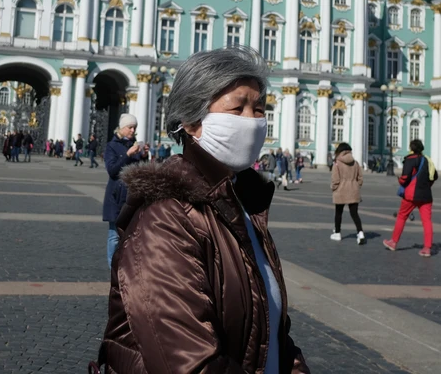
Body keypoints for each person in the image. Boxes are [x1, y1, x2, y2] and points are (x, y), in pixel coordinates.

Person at [97, 47, 309, 373]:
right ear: (193, 122)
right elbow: (189, 363)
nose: (253, 121)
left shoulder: (243, 204)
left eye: (259, 108)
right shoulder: (165, 218)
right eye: (238, 107)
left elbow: (273, 332)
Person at [101, 114, 146, 268]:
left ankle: (127, 267)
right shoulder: (111, 146)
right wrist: (128, 155)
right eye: (130, 127)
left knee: (132, 234)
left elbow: (139, 170)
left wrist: (143, 156)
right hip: (116, 196)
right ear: (122, 128)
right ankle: (112, 267)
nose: (133, 130)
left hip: (132, 196)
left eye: (134, 127)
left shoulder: (133, 145)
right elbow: (112, 170)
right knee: (114, 235)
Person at [384, 139, 437, 257]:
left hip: (411, 194)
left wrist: (400, 181)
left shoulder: (410, 159)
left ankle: (393, 242)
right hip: (426, 195)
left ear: (411, 148)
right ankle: (427, 248)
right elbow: (434, 176)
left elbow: (405, 176)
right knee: (427, 221)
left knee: (402, 216)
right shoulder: (427, 160)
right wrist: (427, 186)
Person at [330, 142, 366, 245]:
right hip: (354, 190)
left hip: (341, 191)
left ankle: (337, 233)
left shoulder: (337, 163)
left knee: (338, 213)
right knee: (354, 214)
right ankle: (360, 233)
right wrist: (356, 185)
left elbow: (335, 180)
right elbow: (360, 178)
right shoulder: (355, 163)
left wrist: (333, 188)